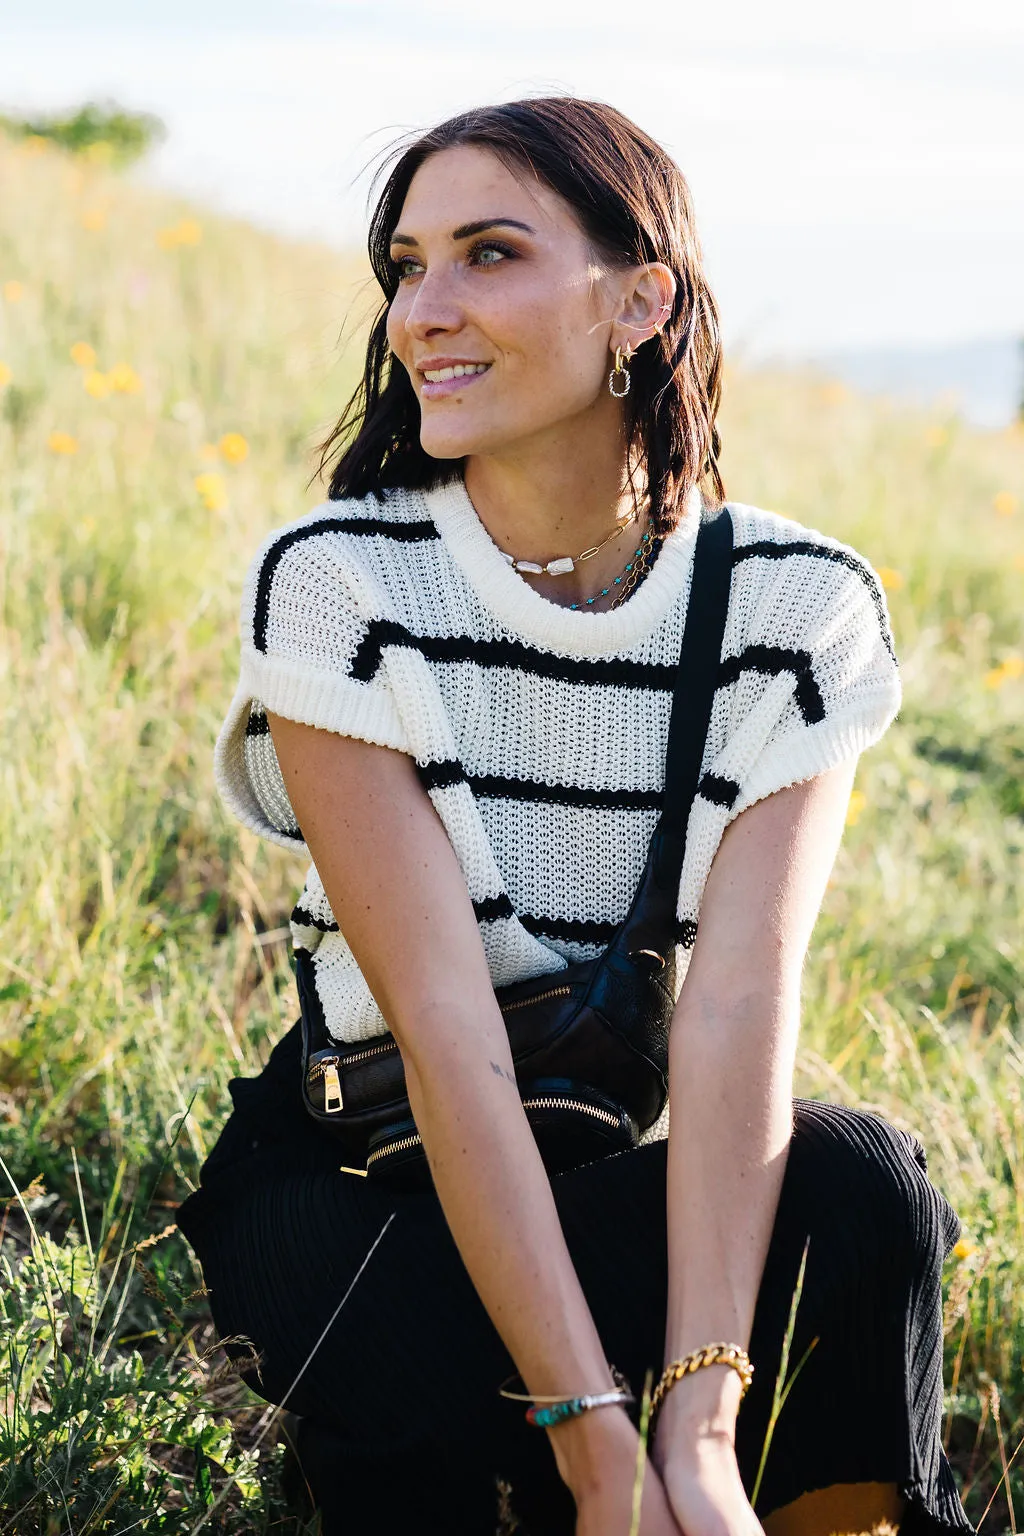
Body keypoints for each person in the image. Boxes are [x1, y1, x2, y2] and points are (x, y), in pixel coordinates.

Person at [175, 98, 973, 1535]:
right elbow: (448, 1042)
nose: (426, 310)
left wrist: (699, 1420)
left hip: (592, 1184)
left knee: (865, 1191)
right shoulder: (343, 585)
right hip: (368, 1201)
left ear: (639, 302)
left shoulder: (795, 613)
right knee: (439, 1378)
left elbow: (739, 1013)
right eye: (407, 266)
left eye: (488, 254)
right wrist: (598, 1441)